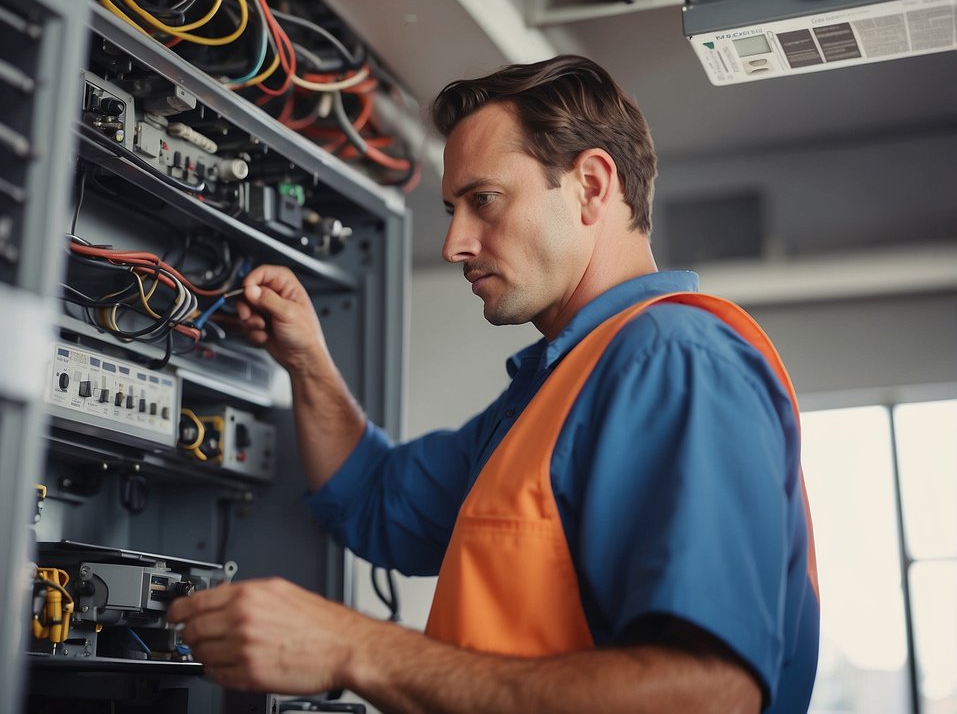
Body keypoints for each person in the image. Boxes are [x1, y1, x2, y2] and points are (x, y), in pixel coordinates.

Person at [167, 55, 820, 713]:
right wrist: (307, 362)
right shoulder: (556, 388)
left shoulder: (672, 358)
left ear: (591, 186)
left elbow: (706, 696)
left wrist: (355, 649)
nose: (454, 242)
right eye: (454, 208)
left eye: (483, 200)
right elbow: (374, 503)